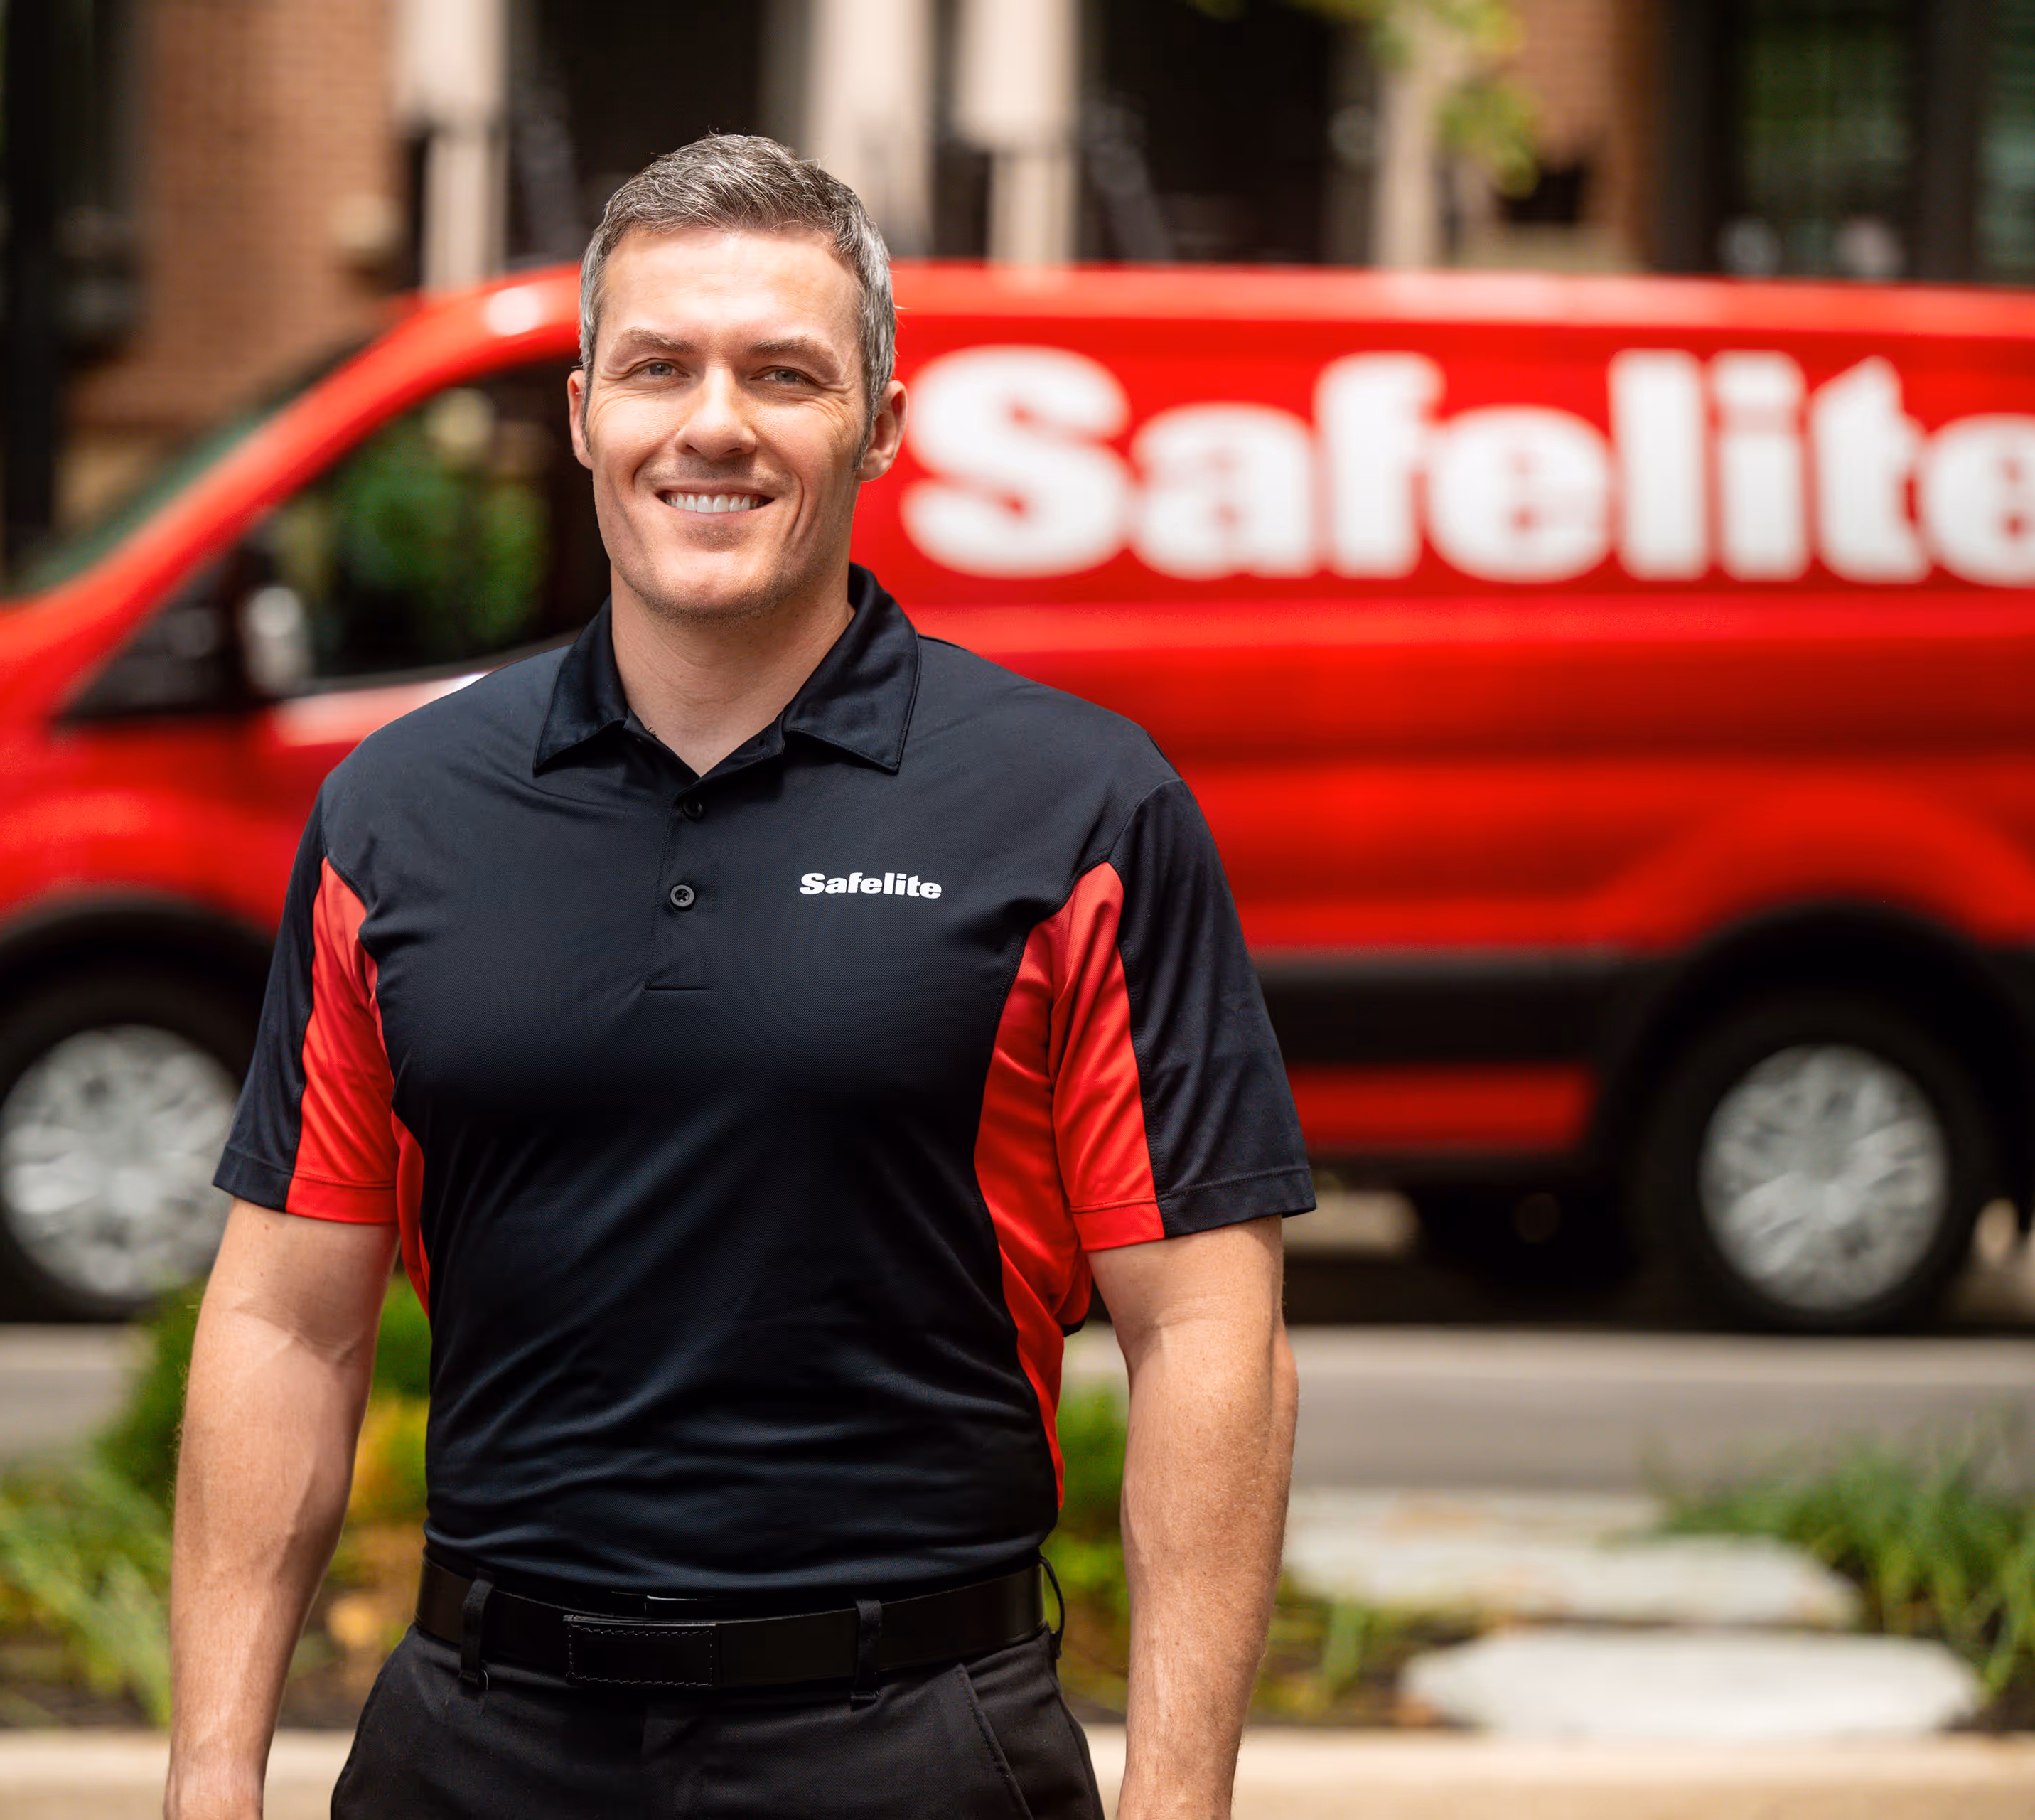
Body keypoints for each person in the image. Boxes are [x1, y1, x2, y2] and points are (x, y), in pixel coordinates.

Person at [165, 134, 1309, 1820]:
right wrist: (211, 1776)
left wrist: (1181, 1796)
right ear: (580, 417)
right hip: (474, 1745)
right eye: (658, 369)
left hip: (914, 1743)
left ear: (884, 422)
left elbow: (1212, 1324)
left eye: (785, 373)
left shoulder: (1077, 808)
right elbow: (283, 1316)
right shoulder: (396, 813)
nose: (714, 423)